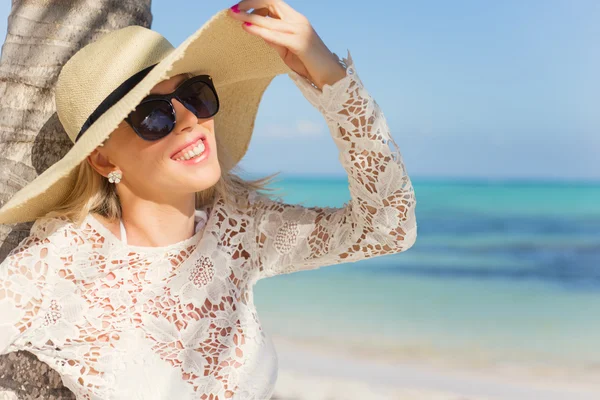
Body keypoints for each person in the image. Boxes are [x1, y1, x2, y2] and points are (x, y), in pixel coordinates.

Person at [0, 1, 417, 399]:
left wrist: (331, 80)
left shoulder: (239, 231)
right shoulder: (63, 261)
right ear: (104, 158)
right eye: (153, 116)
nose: (189, 121)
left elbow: (387, 228)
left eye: (196, 95)